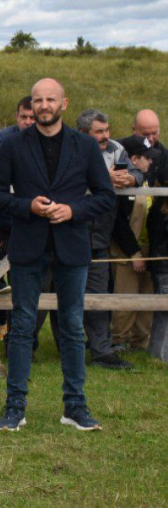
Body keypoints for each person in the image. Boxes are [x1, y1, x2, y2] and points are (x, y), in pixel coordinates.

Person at [0, 78, 115, 432]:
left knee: (73, 328)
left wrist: (73, 210)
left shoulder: (86, 147)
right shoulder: (13, 145)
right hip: (28, 246)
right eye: (38, 100)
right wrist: (27, 205)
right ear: (32, 104)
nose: (44, 105)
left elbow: (105, 196)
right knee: (23, 327)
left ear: (64, 103)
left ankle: (75, 406)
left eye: (50, 99)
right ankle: (15, 406)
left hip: (72, 245)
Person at [75, 110, 141, 370]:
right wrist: (105, 179)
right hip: (70, 234)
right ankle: (56, 346)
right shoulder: (71, 147)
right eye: (99, 132)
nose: (105, 136)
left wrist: (132, 177)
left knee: (99, 296)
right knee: (59, 294)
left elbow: (135, 171)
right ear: (83, 134)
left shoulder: (116, 149)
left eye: (106, 130)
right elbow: (67, 181)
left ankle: (101, 352)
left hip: (100, 238)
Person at [112, 135, 158, 351]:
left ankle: (141, 340)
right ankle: (119, 338)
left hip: (150, 249)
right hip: (127, 251)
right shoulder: (122, 187)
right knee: (126, 295)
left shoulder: (149, 181)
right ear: (134, 159)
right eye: (146, 158)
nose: (150, 162)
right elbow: (118, 223)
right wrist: (134, 252)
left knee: (147, 296)